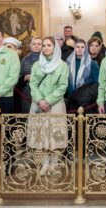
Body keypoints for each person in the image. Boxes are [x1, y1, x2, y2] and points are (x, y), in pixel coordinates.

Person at [27, 36, 69, 176]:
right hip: (38, 103)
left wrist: (49, 101)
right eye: (44, 45)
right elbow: (33, 84)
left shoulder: (62, 65)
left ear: (55, 47)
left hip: (55, 104)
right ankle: (45, 164)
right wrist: (40, 100)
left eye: (49, 45)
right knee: (42, 135)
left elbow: (62, 86)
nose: (45, 48)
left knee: (55, 134)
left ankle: (54, 164)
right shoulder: (36, 65)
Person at [66, 39, 100, 111]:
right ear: (74, 49)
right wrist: (72, 94)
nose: (80, 49)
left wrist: (85, 84)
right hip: (71, 100)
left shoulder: (92, 64)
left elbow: (96, 83)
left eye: (82, 47)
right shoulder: (68, 63)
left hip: (87, 101)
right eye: (78, 47)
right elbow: (66, 80)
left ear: (86, 49)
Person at [18, 37, 42, 113]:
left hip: (42, 92)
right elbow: (19, 76)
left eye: (39, 44)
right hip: (27, 93)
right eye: (34, 44)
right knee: (27, 116)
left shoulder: (46, 59)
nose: (36, 45)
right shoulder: (25, 59)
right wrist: (25, 77)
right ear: (30, 46)